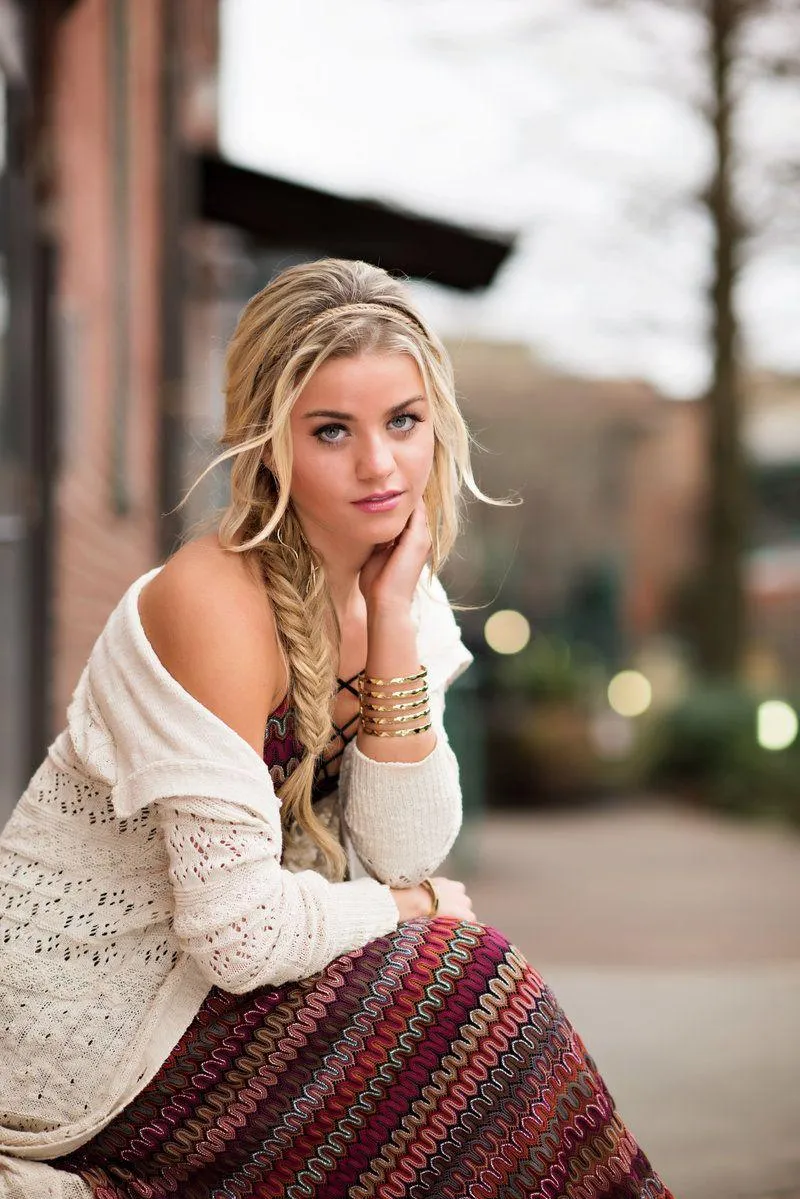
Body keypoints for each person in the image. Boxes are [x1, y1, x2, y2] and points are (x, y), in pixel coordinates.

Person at [0, 258, 673, 1198]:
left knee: (466, 1051)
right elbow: (241, 932)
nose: (379, 466)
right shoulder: (211, 602)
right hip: (88, 1038)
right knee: (471, 989)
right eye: (331, 431)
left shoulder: (403, 589)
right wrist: (409, 907)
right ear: (270, 441)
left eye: (402, 421)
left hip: (222, 1002)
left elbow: (405, 848)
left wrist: (392, 623)